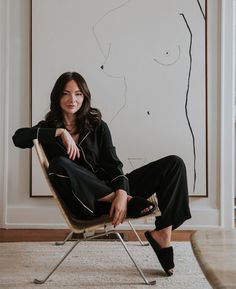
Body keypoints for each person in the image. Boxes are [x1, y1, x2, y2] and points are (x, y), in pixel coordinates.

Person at [12, 71, 191, 276]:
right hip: (87, 202)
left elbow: (114, 166)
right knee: (59, 164)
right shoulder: (48, 129)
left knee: (174, 164)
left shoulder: (97, 126)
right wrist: (59, 133)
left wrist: (122, 193)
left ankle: (163, 234)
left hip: (116, 191)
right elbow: (18, 138)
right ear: (57, 97)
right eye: (66, 93)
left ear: (85, 97)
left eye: (78, 94)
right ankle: (120, 199)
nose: (73, 99)